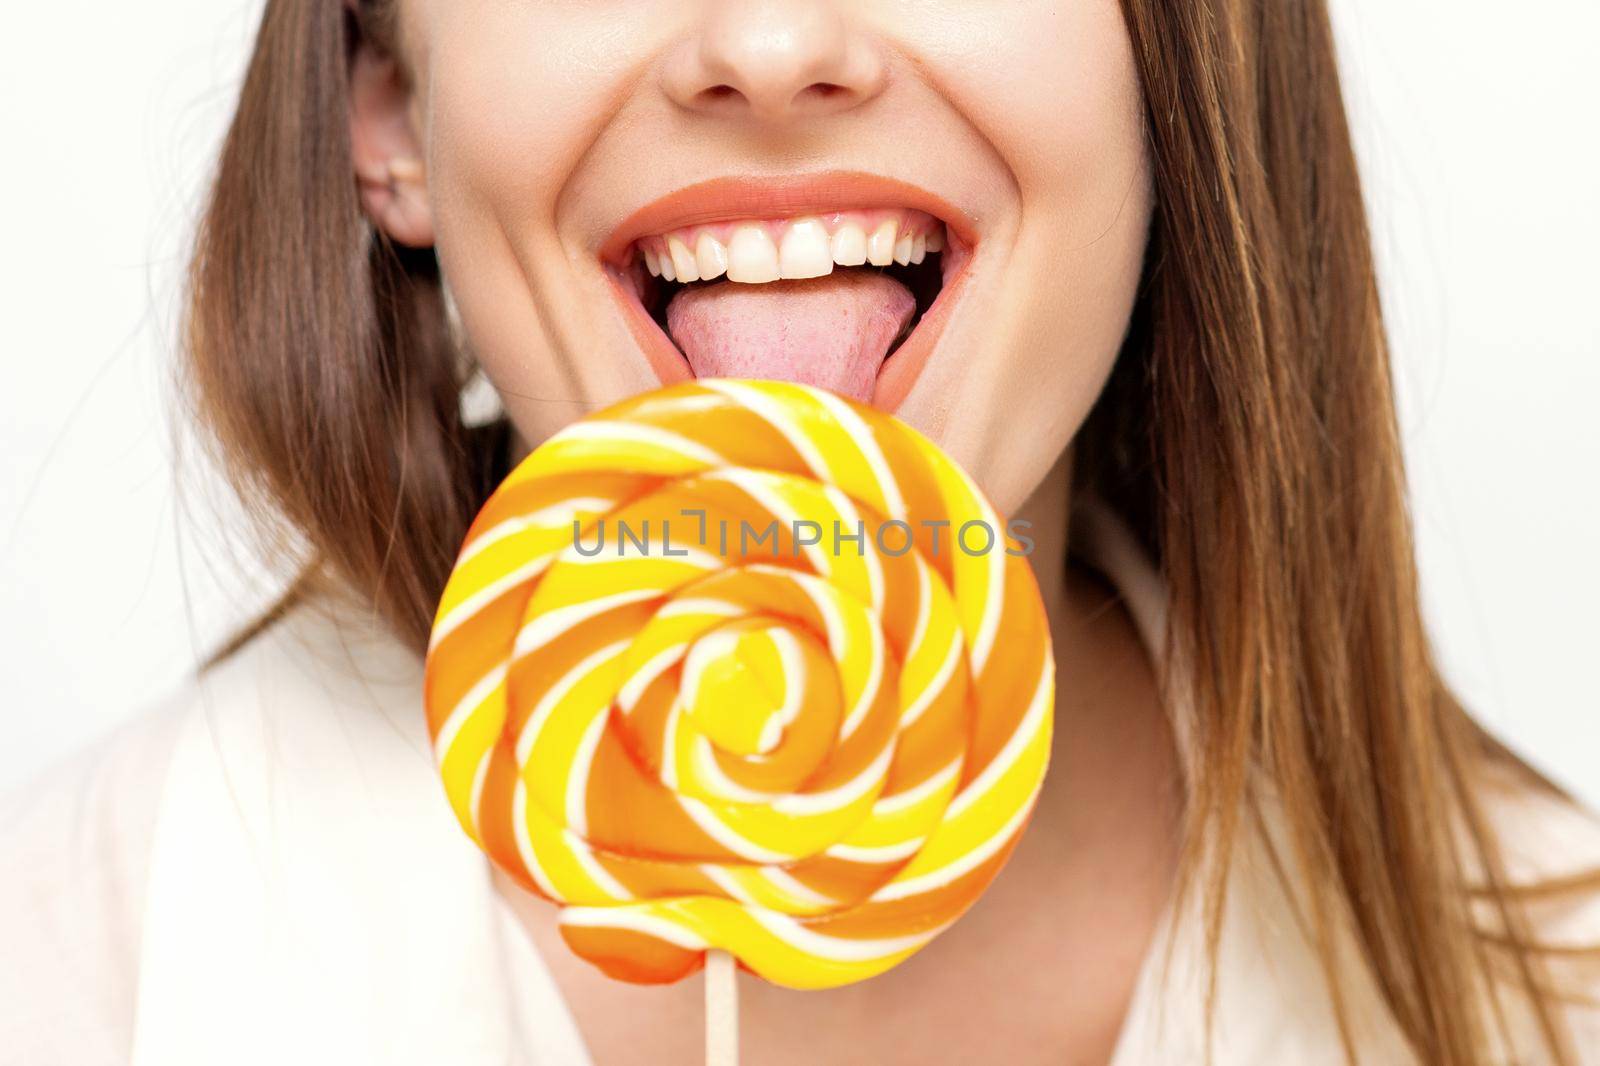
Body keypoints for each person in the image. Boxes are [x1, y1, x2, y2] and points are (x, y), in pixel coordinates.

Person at [4, 1, 1598, 1063]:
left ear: (1177, 58)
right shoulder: (74, 958)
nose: (769, 46)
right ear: (389, 106)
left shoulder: (1562, 988)